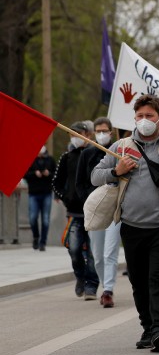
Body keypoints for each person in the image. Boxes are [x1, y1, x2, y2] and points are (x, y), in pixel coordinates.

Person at [92, 95, 159, 352]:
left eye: (149, 116)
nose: (144, 121)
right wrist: (116, 172)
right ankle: (148, 327)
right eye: (139, 116)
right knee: (139, 282)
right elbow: (95, 176)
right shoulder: (120, 146)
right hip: (131, 227)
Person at [53, 120, 99, 300]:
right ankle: (80, 276)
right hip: (74, 213)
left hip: (94, 212)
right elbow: (56, 183)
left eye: (79, 134)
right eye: (72, 134)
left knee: (93, 252)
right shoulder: (67, 157)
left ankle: (91, 285)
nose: (75, 138)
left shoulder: (96, 155)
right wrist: (66, 197)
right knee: (74, 248)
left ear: (88, 135)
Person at [81, 118, 122, 308]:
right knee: (97, 255)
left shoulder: (118, 152)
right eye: (98, 131)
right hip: (96, 209)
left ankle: (108, 291)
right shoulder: (87, 154)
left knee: (110, 251)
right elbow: (80, 183)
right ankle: (105, 283)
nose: (101, 134)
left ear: (111, 132)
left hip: (115, 209)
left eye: (104, 130)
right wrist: (89, 201)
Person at [24, 146, 56, 251]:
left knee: (45, 220)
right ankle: (36, 237)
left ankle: (43, 242)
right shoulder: (30, 159)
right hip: (33, 193)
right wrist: (34, 174)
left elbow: (56, 175)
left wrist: (48, 174)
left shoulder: (50, 160)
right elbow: (25, 174)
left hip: (46, 193)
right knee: (33, 218)